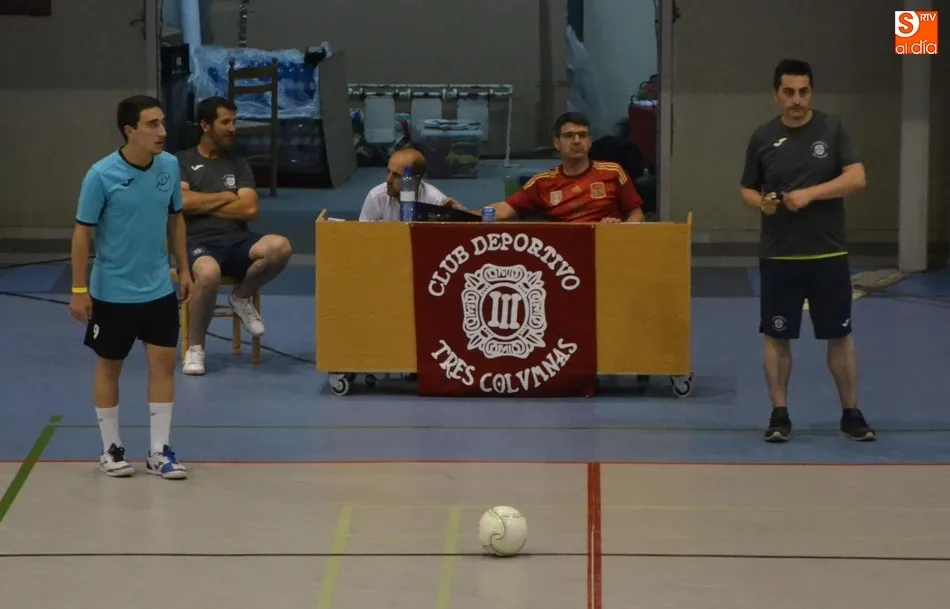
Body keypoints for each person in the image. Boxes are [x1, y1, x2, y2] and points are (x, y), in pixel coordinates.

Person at [739, 59, 875, 443]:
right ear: (776, 94)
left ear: (811, 93)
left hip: (827, 253)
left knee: (840, 335)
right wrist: (761, 204)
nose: (796, 100)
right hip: (779, 255)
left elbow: (857, 178)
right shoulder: (763, 137)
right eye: (789, 92)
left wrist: (809, 195)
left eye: (803, 92)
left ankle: (851, 414)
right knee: (777, 336)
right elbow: (747, 188)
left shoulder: (833, 129)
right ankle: (779, 414)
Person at [69, 95, 193, 479]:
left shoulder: (168, 166)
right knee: (110, 368)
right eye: (152, 124)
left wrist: (184, 269)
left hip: (158, 288)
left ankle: (159, 452)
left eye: (162, 123)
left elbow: (176, 219)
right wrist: (78, 290)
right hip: (113, 292)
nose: (162, 131)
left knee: (164, 365)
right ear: (130, 131)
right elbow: (82, 234)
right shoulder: (100, 175)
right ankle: (111, 449)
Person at [176, 96, 293, 376]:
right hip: (199, 242)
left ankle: (240, 297)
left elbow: (250, 209)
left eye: (234, 122)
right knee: (208, 274)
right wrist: (227, 197)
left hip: (237, 241)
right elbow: (182, 203)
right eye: (225, 122)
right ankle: (196, 348)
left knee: (280, 247)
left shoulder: (238, 164)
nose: (232, 128)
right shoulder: (182, 161)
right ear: (205, 125)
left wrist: (203, 202)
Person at [449, 112, 645, 223]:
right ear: (557, 143)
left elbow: (637, 214)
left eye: (582, 135)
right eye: (569, 136)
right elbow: (503, 210)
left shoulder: (612, 171)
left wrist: (621, 231)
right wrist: (463, 213)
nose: (577, 141)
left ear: (590, 142)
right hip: (564, 255)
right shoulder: (542, 183)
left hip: (608, 247)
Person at [359, 147, 456, 221]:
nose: (388, 180)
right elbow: (362, 235)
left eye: (397, 176)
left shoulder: (436, 201)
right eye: (388, 172)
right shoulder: (376, 197)